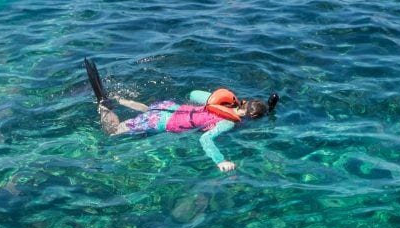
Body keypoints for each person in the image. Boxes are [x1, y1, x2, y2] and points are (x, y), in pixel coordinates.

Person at [84, 57, 278, 172]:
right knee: (113, 131)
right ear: (251, 117)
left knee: (148, 110)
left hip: (168, 107)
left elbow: (193, 94)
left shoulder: (224, 101)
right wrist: (221, 161)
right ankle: (104, 105)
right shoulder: (228, 123)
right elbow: (205, 140)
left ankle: (121, 100)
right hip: (161, 121)